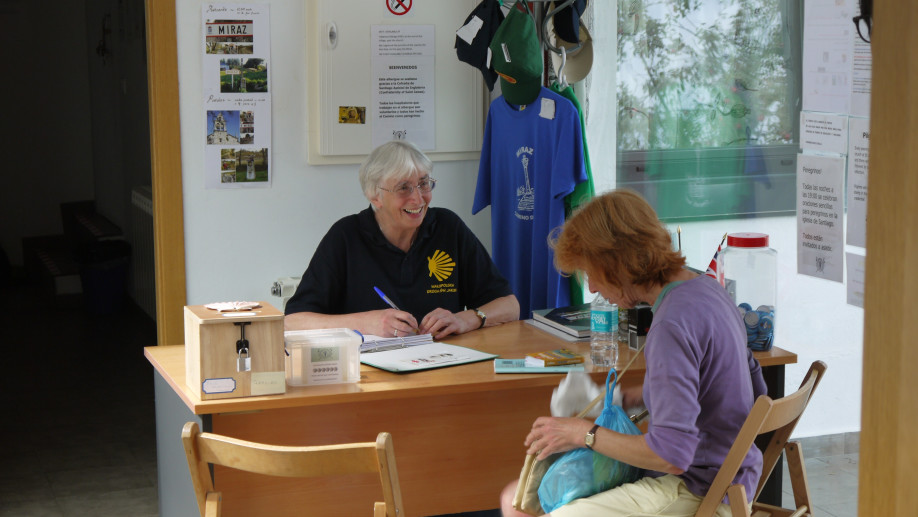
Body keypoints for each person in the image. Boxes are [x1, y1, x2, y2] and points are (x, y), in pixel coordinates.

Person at [499, 190, 767, 517]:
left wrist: (583, 434)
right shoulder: (708, 289)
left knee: (546, 512)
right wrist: (629, 398)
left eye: (590, 273)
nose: (593, 288)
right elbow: (748, 384)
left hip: (699, 490)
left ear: (615, 265)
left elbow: (671, 455)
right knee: (515, 498)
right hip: (735, 475)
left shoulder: (671, 325)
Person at [284, 140, 519, 339]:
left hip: (443, 369)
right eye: (404, 188)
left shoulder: (448, 227)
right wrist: (368, 323)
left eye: (424, 184)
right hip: (368, 377)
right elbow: (293, 322)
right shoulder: (345, 237)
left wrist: (465, 319)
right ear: (375, 196)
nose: (418, 199)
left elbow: (510, 306)